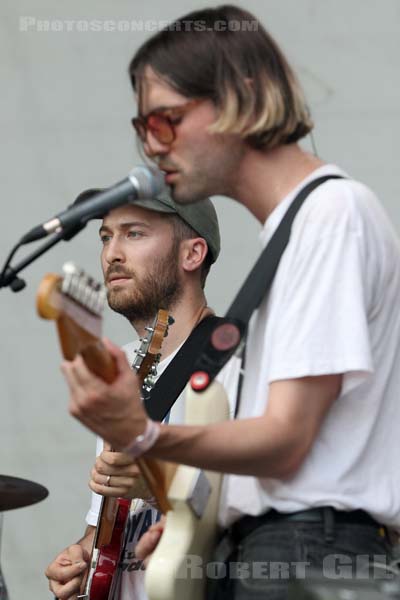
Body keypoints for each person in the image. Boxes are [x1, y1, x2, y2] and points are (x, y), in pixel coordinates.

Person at [61, 4, 400, 598]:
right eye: (144, 129)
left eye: (165, 120)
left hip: (310, 555)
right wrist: (199, 523)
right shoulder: (293, 233)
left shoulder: (331, 215)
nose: (153, 146)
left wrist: (142, 436)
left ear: (239, 97)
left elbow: (287, 439)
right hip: (276, 551)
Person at [45, 191, 241, 599]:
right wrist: (83, 559)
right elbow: (114, 525)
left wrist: (155, 483)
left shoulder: (238, 362)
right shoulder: (119, 370)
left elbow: (261, 506)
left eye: (134, 234)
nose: (112, 253)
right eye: (104, 237)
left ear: (193, 253)